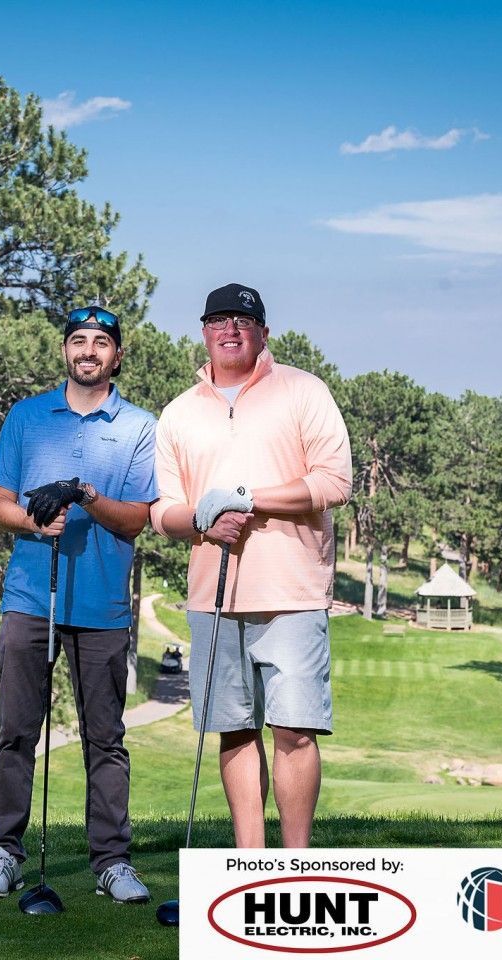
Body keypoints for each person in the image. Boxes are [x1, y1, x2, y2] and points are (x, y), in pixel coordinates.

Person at [150, 283, 352, 848]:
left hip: (292, 590)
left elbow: (334, 482)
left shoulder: (303, 392)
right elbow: (162, 511)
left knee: (294, 729)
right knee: (233, 730)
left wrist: (245, 496)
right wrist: (202, 521)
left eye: (243, 319)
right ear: (204, 331)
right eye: (219, 320)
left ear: (263, 332)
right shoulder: (178, 414)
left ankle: (295, 861)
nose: (230, 329)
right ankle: (250, 860)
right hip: (212, 595)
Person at [0, 304, 157, 904]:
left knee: (105, 737)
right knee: (17, 731)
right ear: (64, 352)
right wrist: (35, 520)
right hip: (30, 598)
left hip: (102, 605)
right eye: (78, 340)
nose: (88, 351)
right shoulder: (27, 417)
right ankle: (4, 853)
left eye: (100, 342)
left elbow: (136, 522)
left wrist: (85, 496)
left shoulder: (137, 426)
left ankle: (111, 861)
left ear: (116, 356)